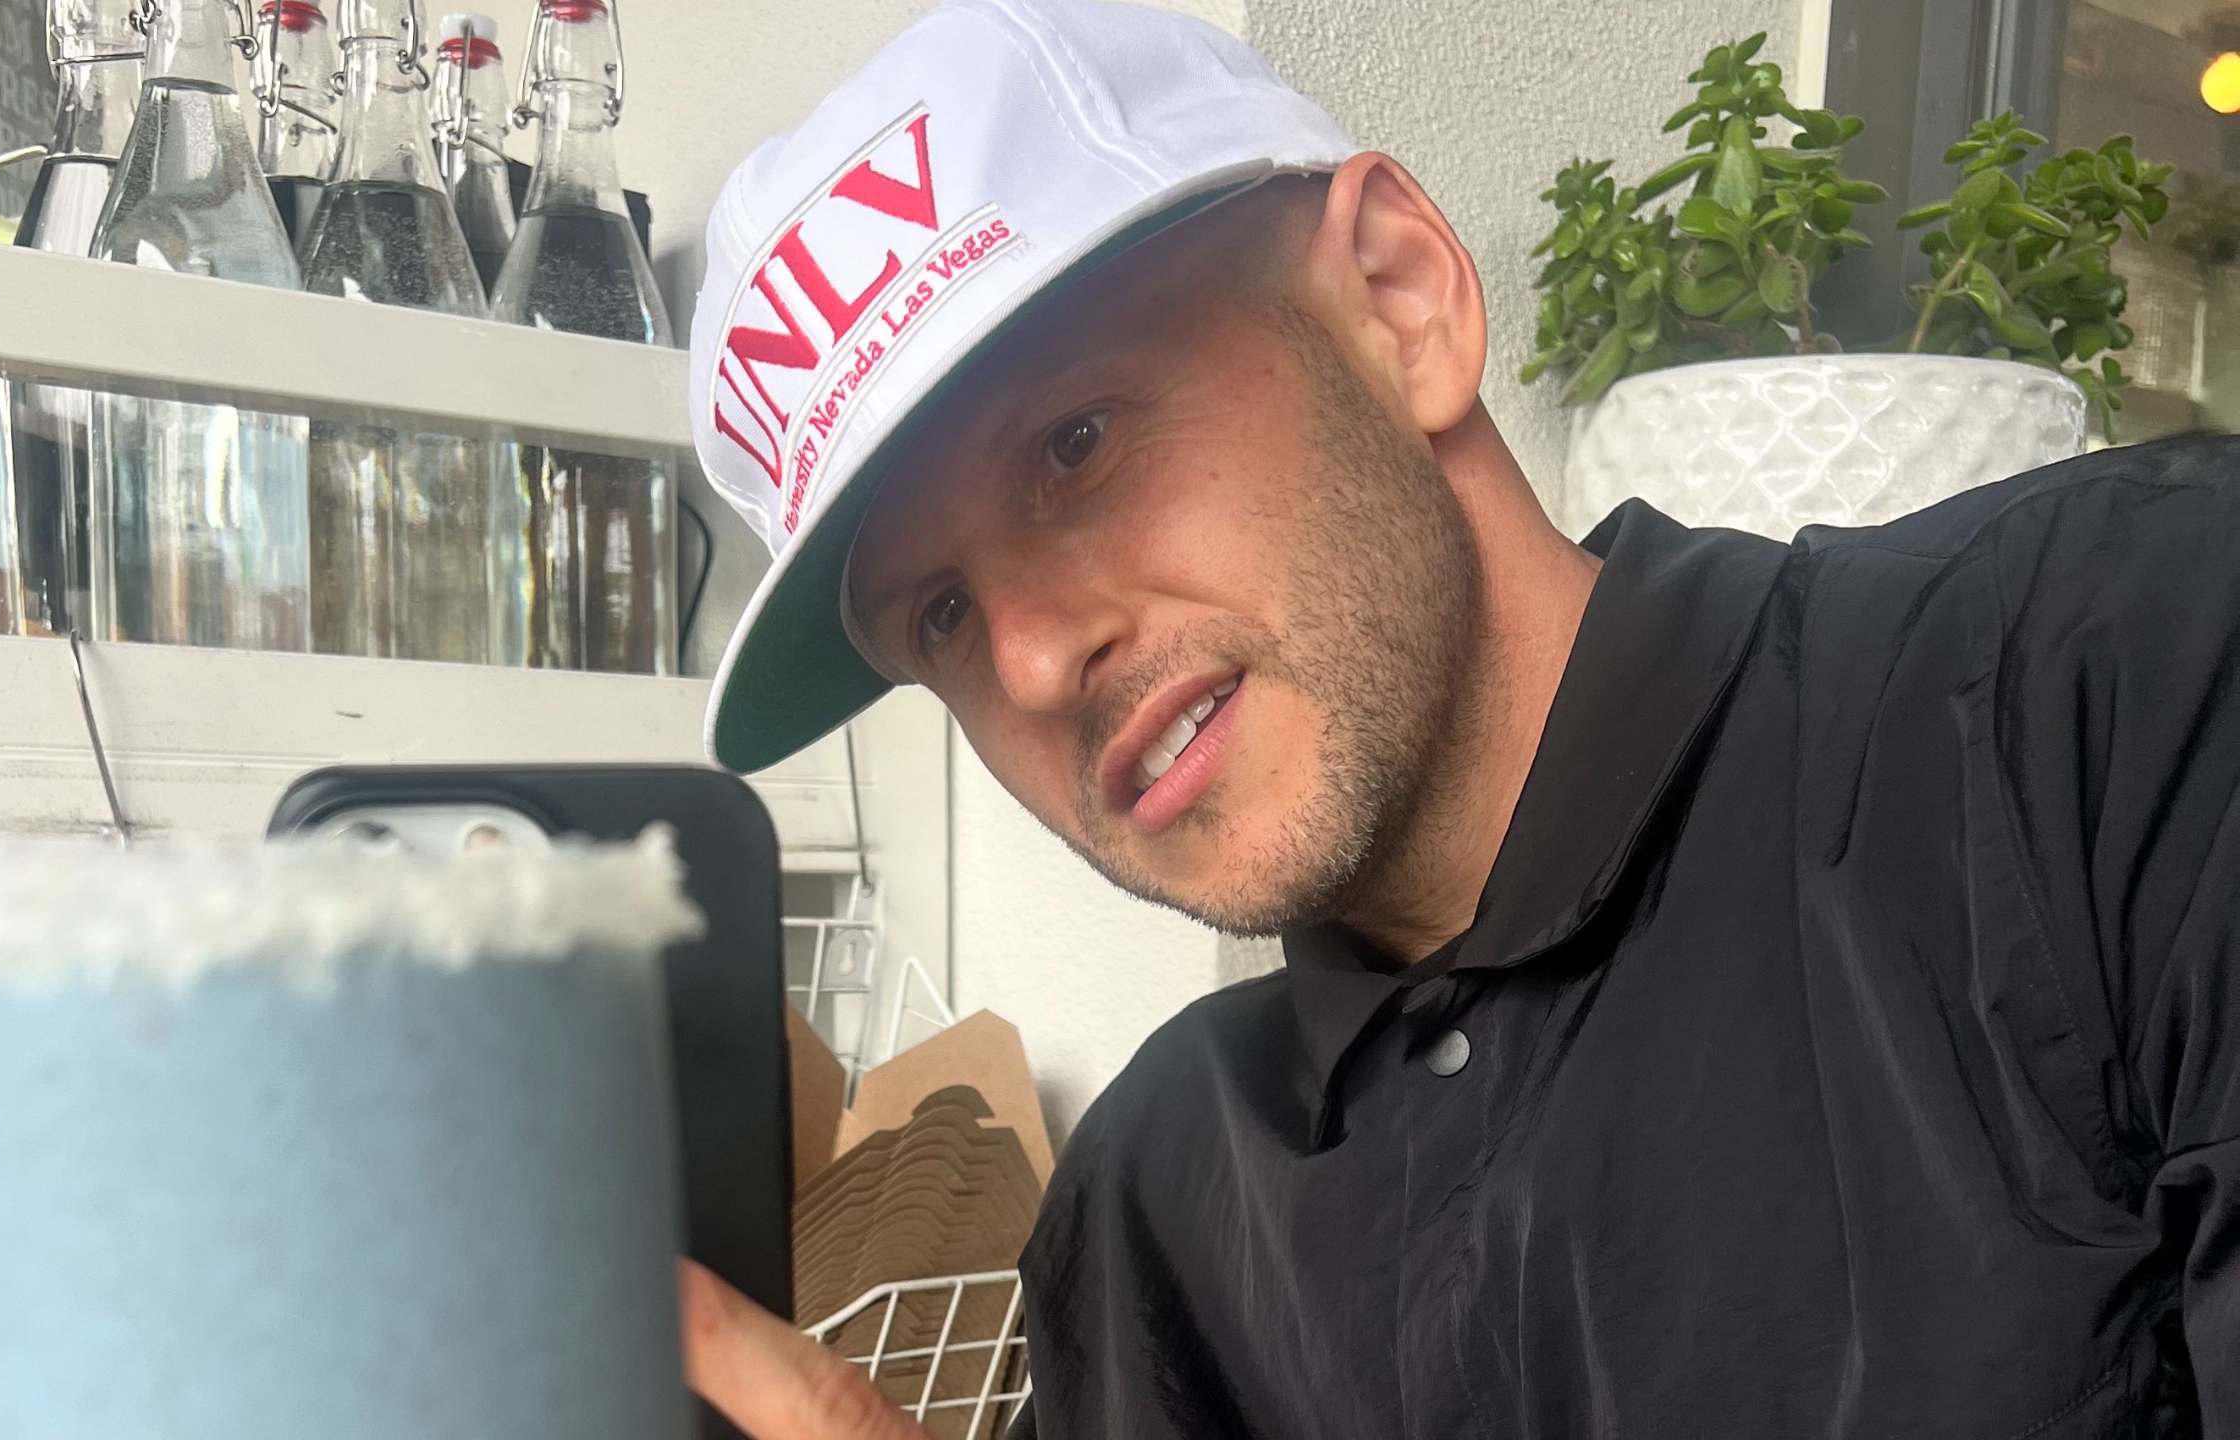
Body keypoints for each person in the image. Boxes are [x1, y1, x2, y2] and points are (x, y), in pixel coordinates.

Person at [677, 0, 2240, 1433]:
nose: (1025, 665)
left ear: (1399, 300)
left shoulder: (2113, 692)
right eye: (939, 617)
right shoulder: (1155, 1205)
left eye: (1074, 444)